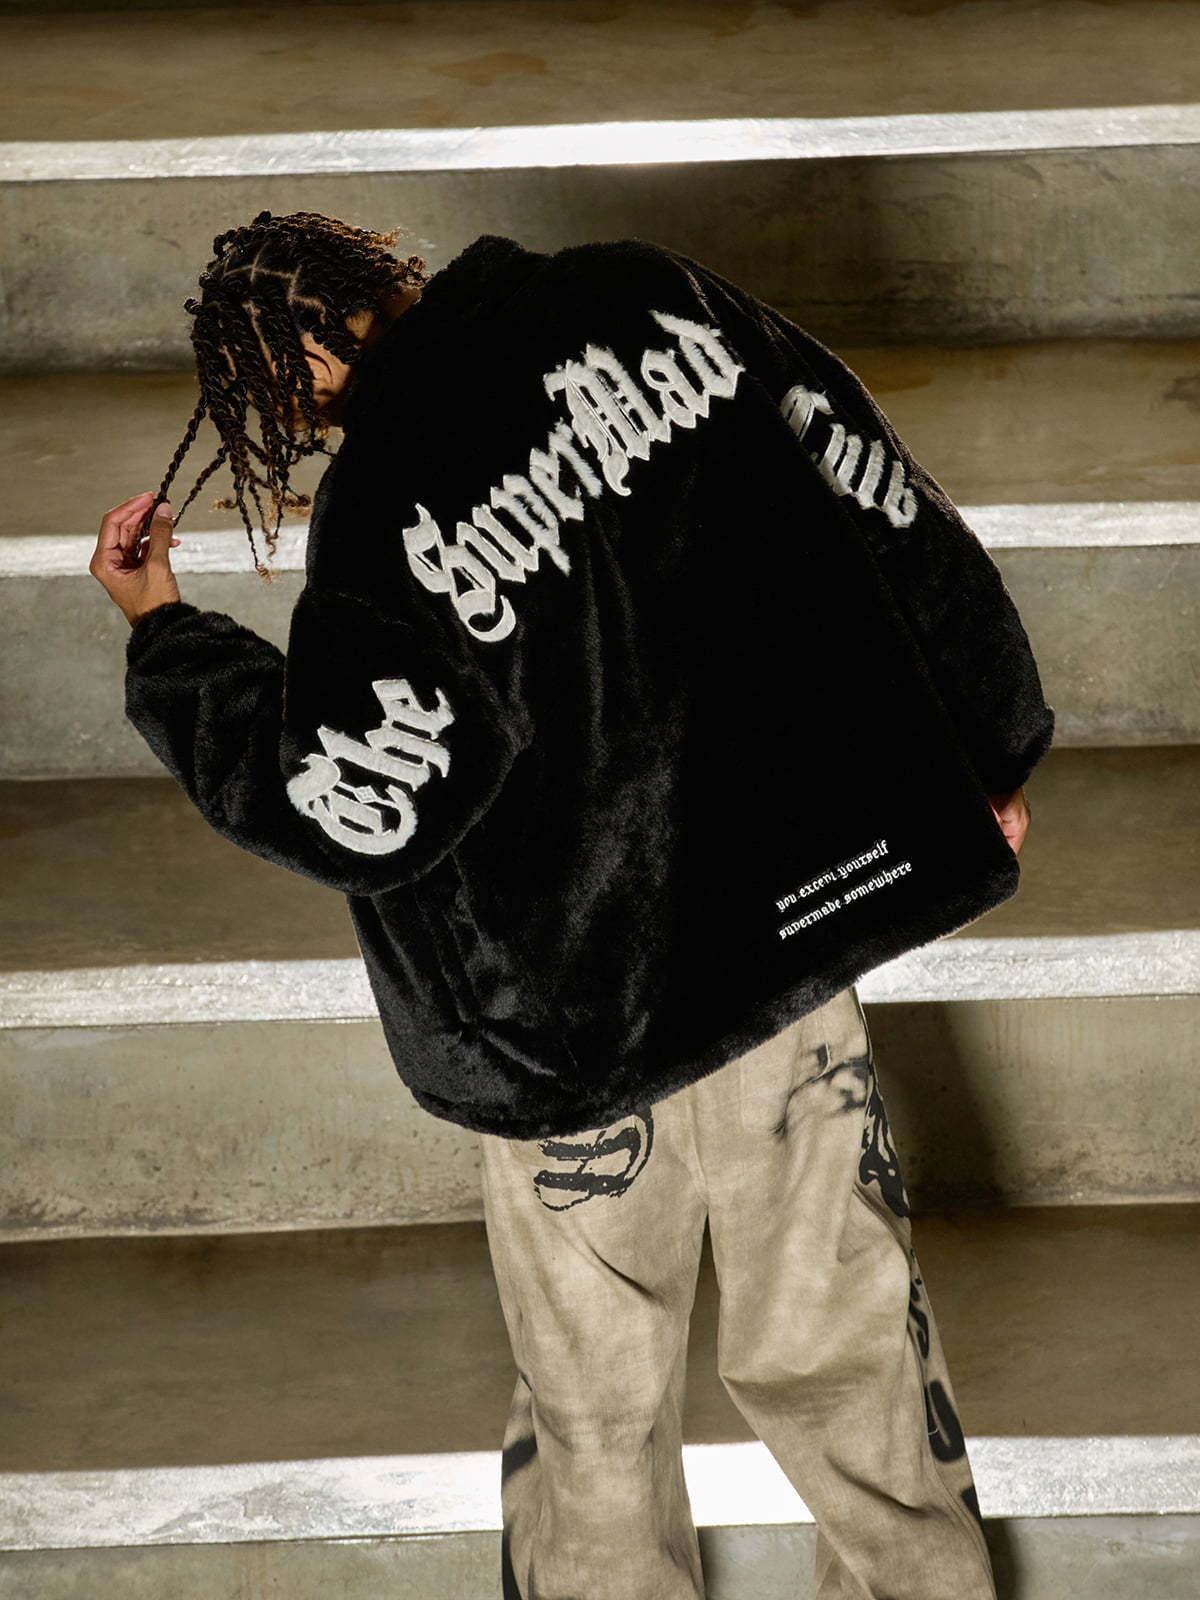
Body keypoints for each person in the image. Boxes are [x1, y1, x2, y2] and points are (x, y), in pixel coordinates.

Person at [91, 210, 1052, 1600]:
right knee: (845, 1341)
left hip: (565, 1029)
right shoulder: (649, 293)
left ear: (302, 371)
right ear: (387, 264)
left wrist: (168, 637)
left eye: (276, 395)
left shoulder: (386, 505)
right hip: (783, 953)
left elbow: (353, 803)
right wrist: (985, 743)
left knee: (594, 1402)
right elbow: (879, 495)